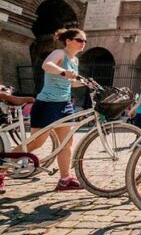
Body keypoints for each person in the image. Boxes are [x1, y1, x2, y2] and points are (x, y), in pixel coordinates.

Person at [13, 28, 88, 190]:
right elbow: (46, 66)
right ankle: (2, 168)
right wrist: (62, 71)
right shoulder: (59, 53)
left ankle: (65, 179)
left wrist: (84, 82)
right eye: (79, 40)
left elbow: (71, 82)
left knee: (66, 143)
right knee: (35, 144)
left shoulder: (75, 61)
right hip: (47, 104)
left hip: (65, 105)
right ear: (68, 41)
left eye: (84, 41)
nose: (83, 44)